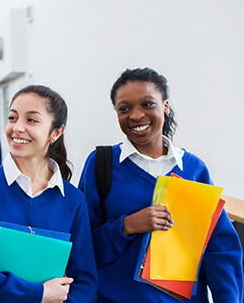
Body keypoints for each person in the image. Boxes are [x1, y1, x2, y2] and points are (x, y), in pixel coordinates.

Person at [78, 68, 243, 302]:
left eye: (147, 104)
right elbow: (81, 246)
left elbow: (220, 248)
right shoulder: (100, 164)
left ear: (165, 106)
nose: (136, 116)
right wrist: (126, 226)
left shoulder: (193, 169)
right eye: (124, 108)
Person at [0, 85, 98, 302]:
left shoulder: (74, 201)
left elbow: (85, 279)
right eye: (12, 118)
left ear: (56, 132)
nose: (17, 128)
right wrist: (38, 294)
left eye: (31, 120)